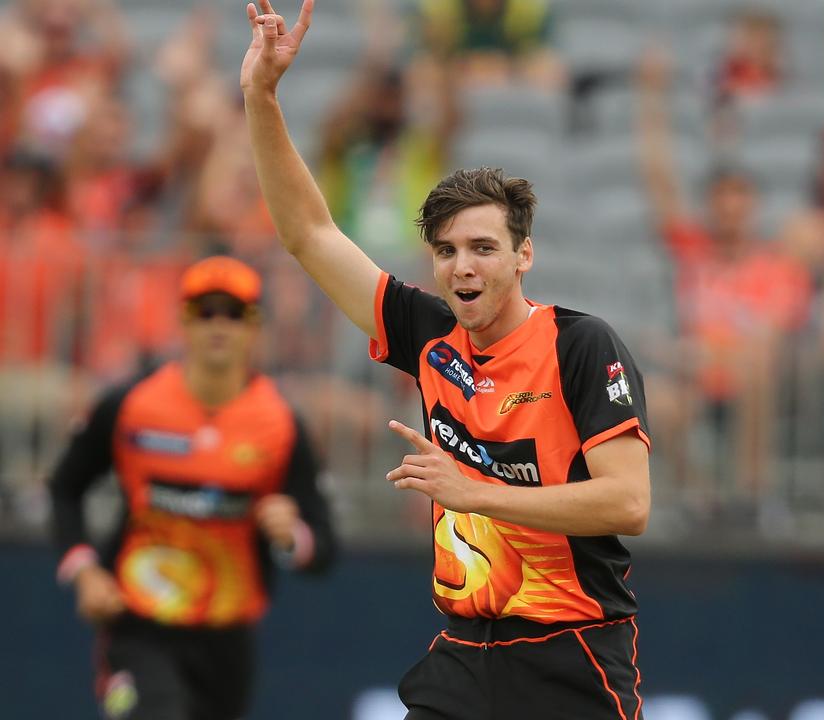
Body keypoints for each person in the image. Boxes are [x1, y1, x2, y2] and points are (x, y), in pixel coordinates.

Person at [239, 2, 651, 718]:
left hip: (573, 654)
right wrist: (261, 97)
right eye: (447, 251)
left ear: (524, 256)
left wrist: (476, 491)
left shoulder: (580, 345)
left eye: (484, 248)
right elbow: (308, 233)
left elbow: (629, 503)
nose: (464, 267)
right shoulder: (429, 335)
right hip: (462, 653)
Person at [48, 255, 337, 720]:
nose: (218, 325)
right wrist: (84, 572)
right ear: (183, 322)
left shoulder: (280, 425)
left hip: (228, 637)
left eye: (233, 312)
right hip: (139, 627)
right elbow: (65, 487)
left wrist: (290, 536)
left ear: (254, 326)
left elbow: (322, 545)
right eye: (205, 311)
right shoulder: (132, 406)